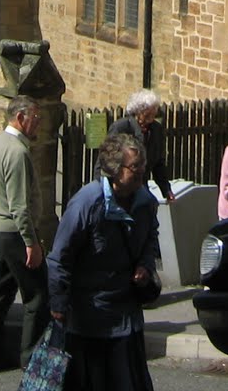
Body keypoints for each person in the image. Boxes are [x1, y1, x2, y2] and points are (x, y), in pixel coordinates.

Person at [47, 132, 160, 391]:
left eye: (143, 164)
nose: (142, 170)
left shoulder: (145, 202)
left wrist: (145, 265)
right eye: (135, 166)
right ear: (114, 170)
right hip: (89, 323)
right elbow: (59, 258)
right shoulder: (86, 204)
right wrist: (59, 306)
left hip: (127, 319)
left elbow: (151, 238)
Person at [0, 95, 47, 368]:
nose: (38, 124)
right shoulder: (17, 152)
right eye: (35, 118)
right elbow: (19, 205)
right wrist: (31, 243)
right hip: (13, 232)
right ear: (20, 118)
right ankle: (30, 357)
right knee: (38, 295)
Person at [109, 89, 175, 202]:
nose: (149, 120)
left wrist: (166, 190)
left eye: (153, 116)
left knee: (150, 205)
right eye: (146, 115)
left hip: (140, 187)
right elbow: (106, 160)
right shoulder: (121, 128)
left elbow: (158, 163)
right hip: (119, 188)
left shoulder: (156, 130)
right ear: (137, 112)